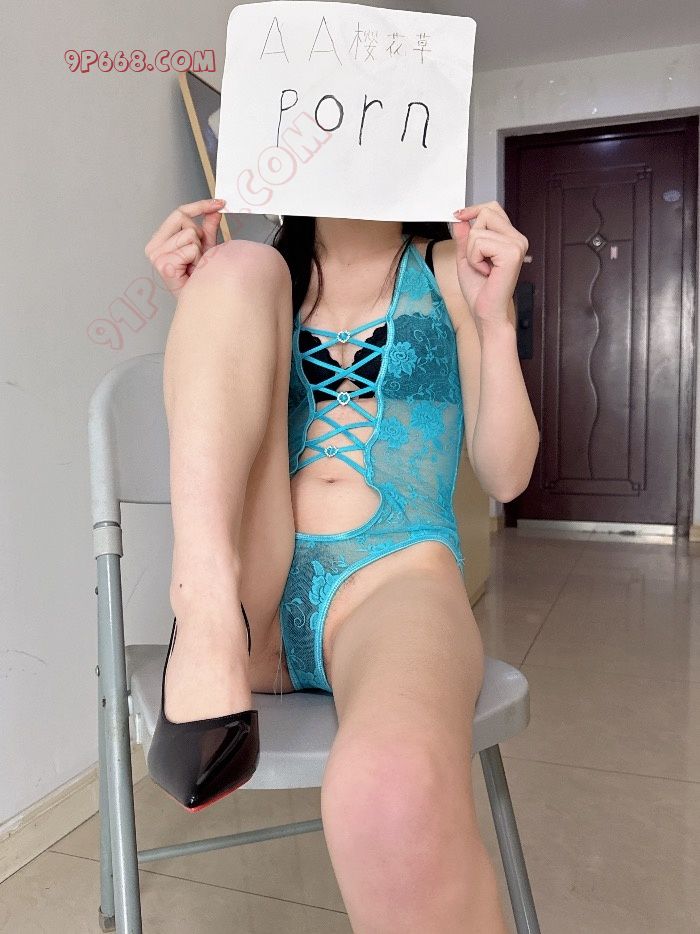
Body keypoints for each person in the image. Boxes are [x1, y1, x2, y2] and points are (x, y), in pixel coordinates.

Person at [143, 198, 539, 932]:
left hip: (394, 578)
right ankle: (200, 611)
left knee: (389, 791)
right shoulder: (264, 276)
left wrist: (496, 320)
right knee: (237, 268)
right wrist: (200, 305)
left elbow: (506, 476)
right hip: (249, 601)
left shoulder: (449, 270)